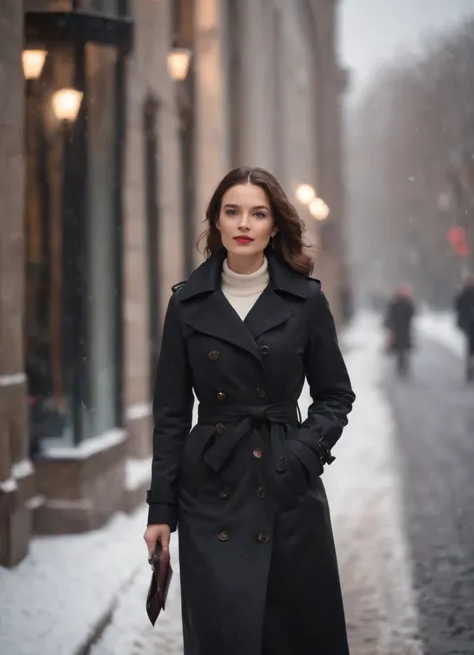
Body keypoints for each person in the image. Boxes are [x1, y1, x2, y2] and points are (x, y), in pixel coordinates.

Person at [143, 167, 356, 655]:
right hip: (210, 487)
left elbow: (335, 396)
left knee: (294, 635)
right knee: (224, 636)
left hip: (287, 489)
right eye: (232, 211)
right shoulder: (187, 304)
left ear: (274, 225)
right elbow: (172, 414)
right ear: (215, 222)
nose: (244, 223)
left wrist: (301, 453)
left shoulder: (304, 300)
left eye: (257, 213)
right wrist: (161, 510)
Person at [383, 284, 416, 377]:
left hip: (405, 329)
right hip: (396, 329)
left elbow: (412, 314)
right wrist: (389, 326)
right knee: (399, 351)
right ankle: (400, 368)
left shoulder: (408, 303)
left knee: (404, 350)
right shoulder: (394, 304)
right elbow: (389, 316)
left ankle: (404, 368)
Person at [454, 274, 474, 382]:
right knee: (469, 350)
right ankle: (469, 372)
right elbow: (458, 308)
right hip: (468, 326)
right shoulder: (462, 295)